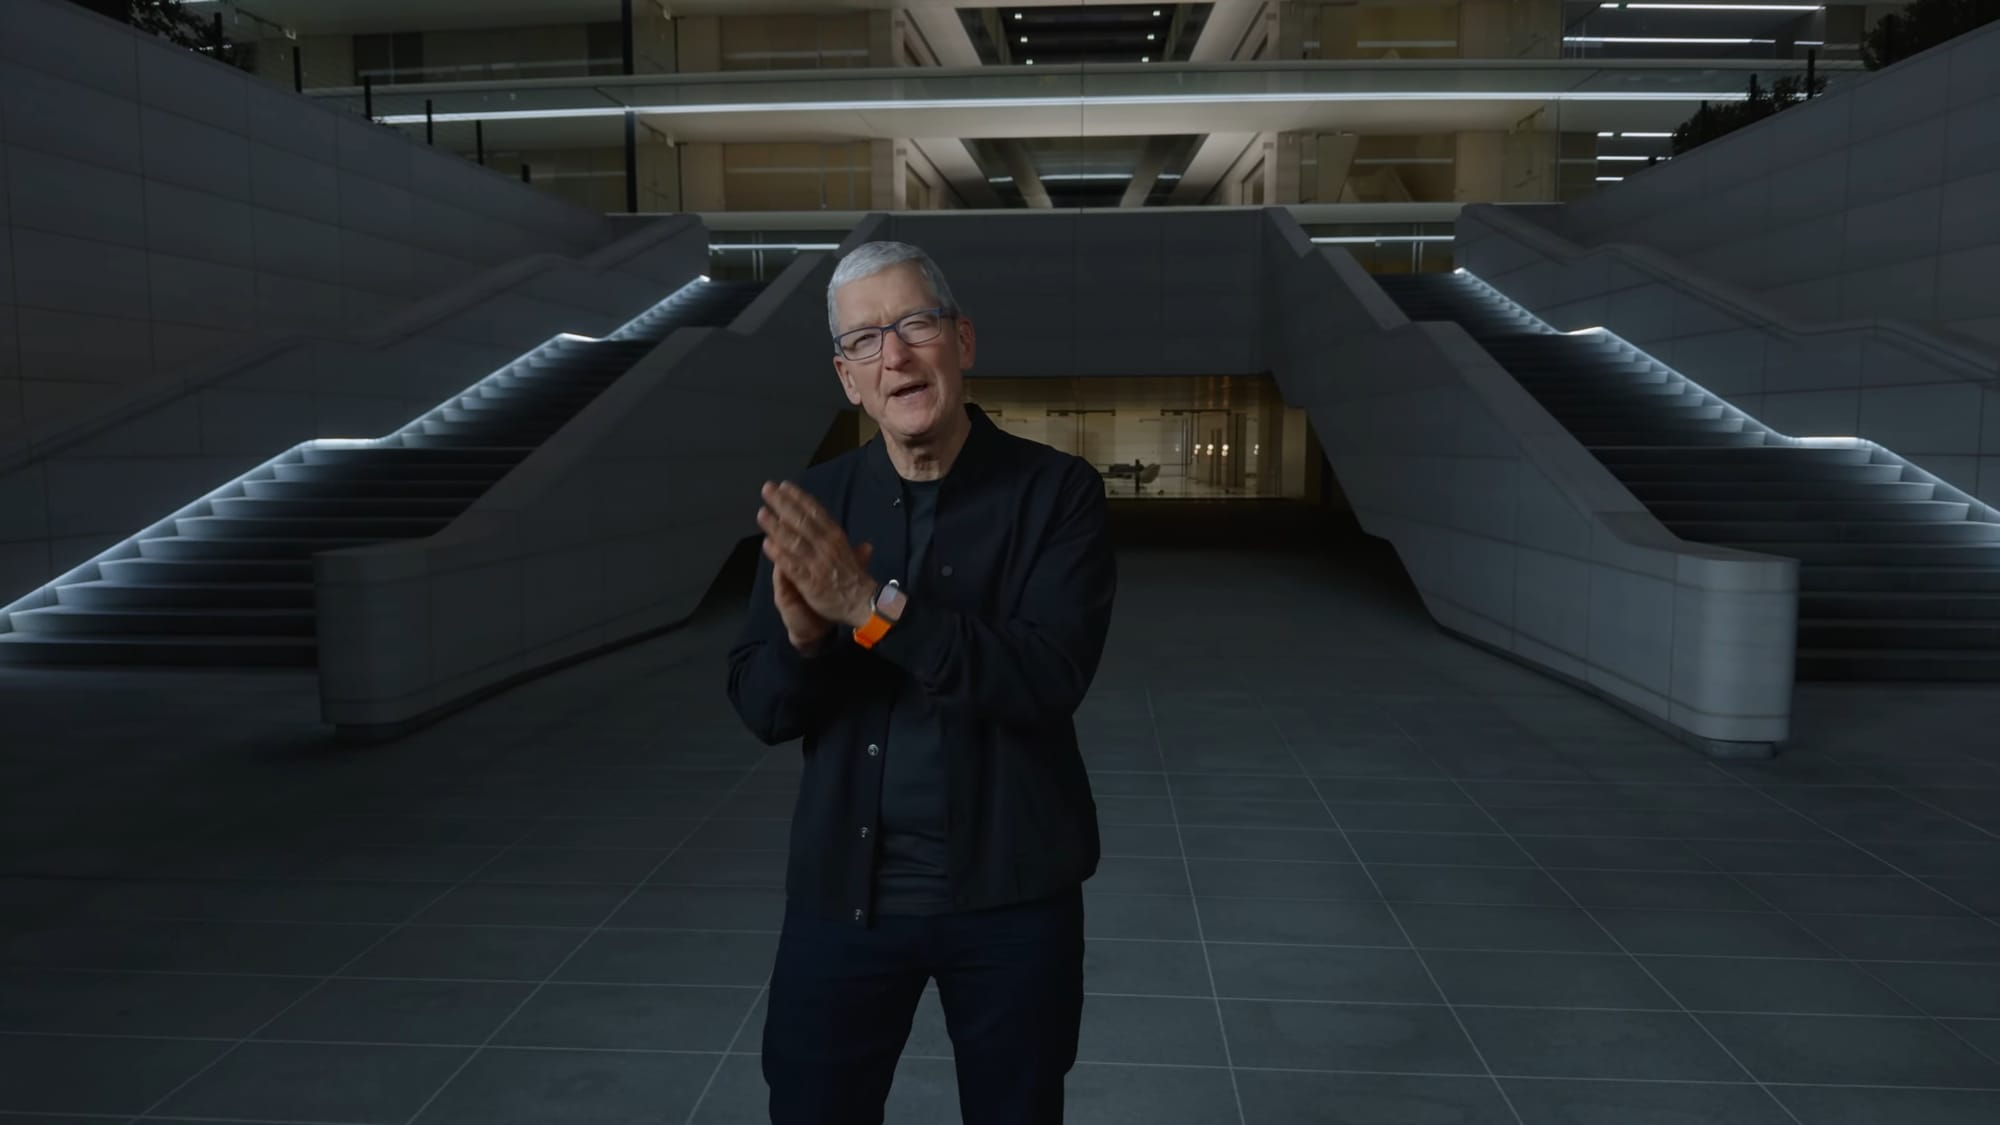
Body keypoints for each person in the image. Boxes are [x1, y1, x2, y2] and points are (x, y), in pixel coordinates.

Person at [726, 240, 1117, 1125]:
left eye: (914, 324)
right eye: (864, 340)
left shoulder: (1058, 493)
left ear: (962, 340)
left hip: (1015, 896)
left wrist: (871, 611)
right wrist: (802, 640)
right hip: (844, 897)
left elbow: (1047, 676)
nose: (894, 354)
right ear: (848, 379)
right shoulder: (812, 506)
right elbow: (760, 705)